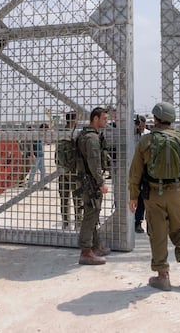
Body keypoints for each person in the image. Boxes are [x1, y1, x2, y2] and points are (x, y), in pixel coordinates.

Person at [129, 102, 180, 291]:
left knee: (157, 234)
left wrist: (133, 196)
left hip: (153, 195)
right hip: (177, 193)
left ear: (156, 119)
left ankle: (163, 276)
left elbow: (135, 171)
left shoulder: (146, 141)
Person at [76, 107, 111, 265]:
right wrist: (101, 182)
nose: (106, 121)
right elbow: (94, 163)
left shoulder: (86, 134)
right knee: (91, 214)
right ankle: (86, 251)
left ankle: (95, 246)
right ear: (95, 119)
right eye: (104, 118)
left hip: (87, 180)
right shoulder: (92, 138)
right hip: (91, 181)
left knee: (94, 212)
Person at [58, 111, 82, 230]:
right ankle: (78, 223)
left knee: (64, 198)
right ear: (74, 120)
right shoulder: (76, 133)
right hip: (74, 170)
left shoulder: (60, 132)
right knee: (77, 197)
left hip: (62, 170)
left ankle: (66, 223)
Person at [133, 114, 149, 233]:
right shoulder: (131, 134)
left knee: (142, 197)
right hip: (132, 168)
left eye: (142, 125)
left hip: (145, 169)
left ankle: (138, 221)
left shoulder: (148, 134)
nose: (141, 127)